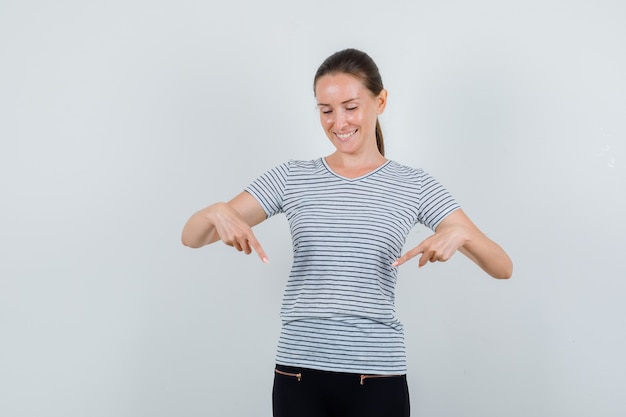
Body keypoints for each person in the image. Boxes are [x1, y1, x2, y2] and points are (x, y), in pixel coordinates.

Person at [181, 48, 513, 417]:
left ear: (381, 101)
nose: (338, 122)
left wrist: (464, 237)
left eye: (350, 107)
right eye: (326, 110)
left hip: (376, 376)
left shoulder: (414, 185)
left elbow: (503, 267)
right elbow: (192, 237)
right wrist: (215, 211)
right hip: (297, 374)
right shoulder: (293, 177)